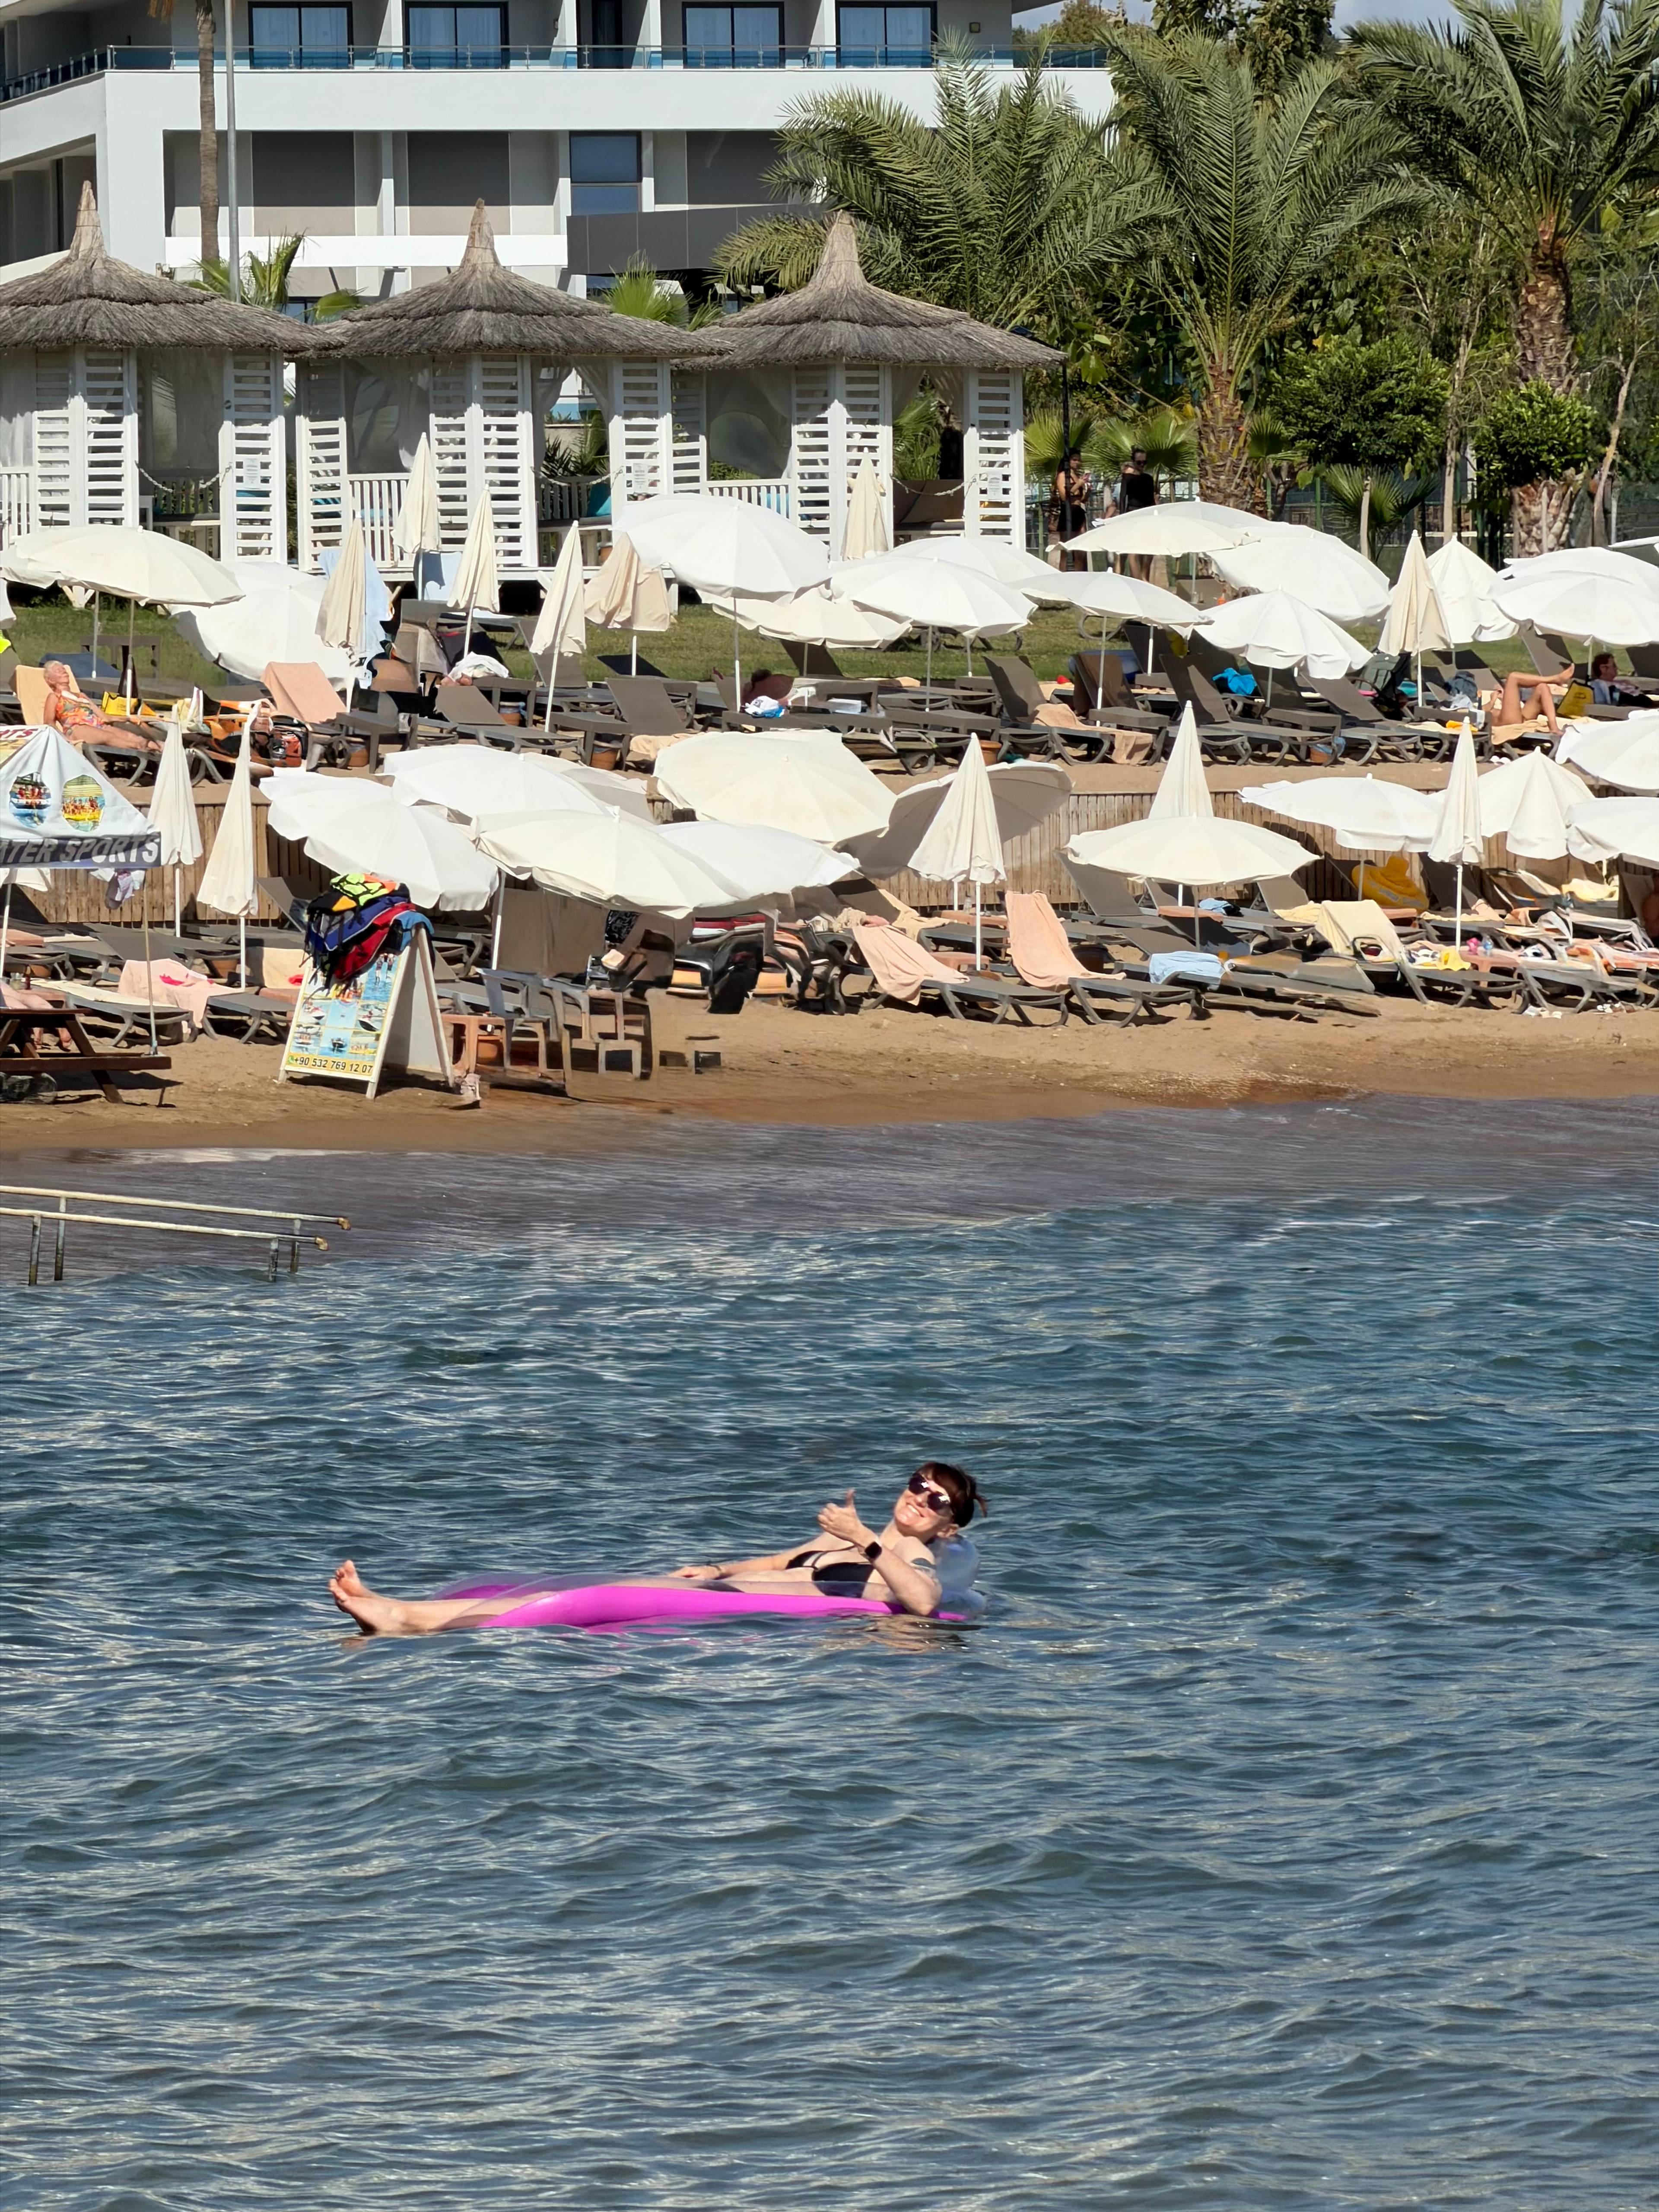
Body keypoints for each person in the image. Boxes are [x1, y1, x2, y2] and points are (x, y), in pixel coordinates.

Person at [327, 1462, 987, 1635]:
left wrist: (867, 1541)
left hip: (732, 1614)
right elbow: (778, 1564)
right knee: (534, 1589)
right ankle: (409, 1611)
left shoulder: (914, 1558)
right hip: (718, 1592)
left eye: (936, 1501)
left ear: (948, 1526)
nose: (919, 1500)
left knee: (568, 1604)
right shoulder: (850, 1532)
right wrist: (717, 1567)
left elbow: (924, 1606)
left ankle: (402, 1617)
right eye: (917, 1485)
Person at [1118, 448, 1157, 580]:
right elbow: (1123, 499)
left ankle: (1145, 579)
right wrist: (1122, 518)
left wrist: (1155, 517)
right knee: (1133, 552)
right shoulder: (1127, 478)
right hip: (1132, 515)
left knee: (1148, 551)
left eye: (1144, 462)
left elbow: (1152, 500)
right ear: (1133, 462)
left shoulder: (1148, 479)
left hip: (1147, 516)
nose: (1142, 465)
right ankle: (1139, 582)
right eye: (1139, 462)